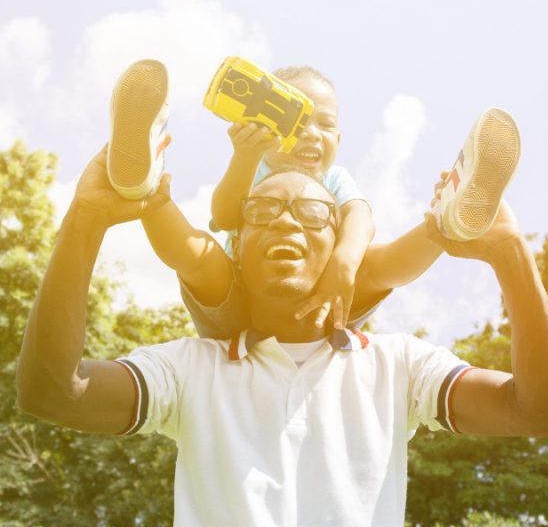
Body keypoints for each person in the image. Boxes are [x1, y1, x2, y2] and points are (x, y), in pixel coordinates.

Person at [16, 149, 548, 527]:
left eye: (313, 214)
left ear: (340, 251)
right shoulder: (190, 370)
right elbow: (54, 393)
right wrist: (86, 218)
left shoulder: (398, 366)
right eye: (261, 212)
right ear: (235, 249)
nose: (286, 221)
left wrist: (510, 254)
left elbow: (542, 409)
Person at [106, 60, 519, 337]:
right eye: (295, 119)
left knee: (376, 264)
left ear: (339, 139)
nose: (311, 134)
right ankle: (145, 187)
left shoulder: (334, 179)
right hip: (236, 303)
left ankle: (447, 221)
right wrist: (244, 157)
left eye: (325, 124)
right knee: (201, 256)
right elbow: (225, 216)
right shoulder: (256, 169)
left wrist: (343, 263)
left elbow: (360, 216)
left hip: (321, 303)